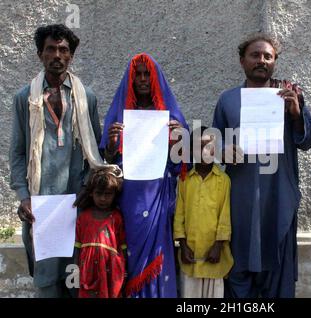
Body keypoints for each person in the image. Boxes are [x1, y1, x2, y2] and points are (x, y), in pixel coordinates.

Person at [9, 24, 110, 298]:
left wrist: (89, 191)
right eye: (51, 49)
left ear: (71, 56)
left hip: (77, 203)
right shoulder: (25, 98)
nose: (57, 55)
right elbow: (17, 153)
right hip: (41, 206)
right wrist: (23, 196)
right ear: (40, 54)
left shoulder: (85, 97)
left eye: (63, 50)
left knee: (77, 279)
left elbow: (96, 155)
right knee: (46, 282)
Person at [212, 33, 311, 298]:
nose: (262, 60)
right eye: (255, 55)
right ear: (242, 61)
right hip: (240, 196)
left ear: (274, 62)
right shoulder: (227, 100)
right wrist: (224, 150)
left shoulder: (289, 96)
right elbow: (213, 145)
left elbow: (307, 141)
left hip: (278, 193)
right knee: (238, 262)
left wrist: (295, 115)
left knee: (277, 263)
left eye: (268, 56)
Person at [100, 53, 189, 297]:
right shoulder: (121, 114)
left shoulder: (170, 116)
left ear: (155, 78)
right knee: (130, 252)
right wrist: (111, 143)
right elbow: (108, 160)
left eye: (146, 74)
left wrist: (181, 138)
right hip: (129, 197)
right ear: (130, 78)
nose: (141, 79)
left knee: (159, 252)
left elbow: (185, 164)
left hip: (159, 195)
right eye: (136, 74)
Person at [173, 126, 233, 298]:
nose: (205, 151)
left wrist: (218, 246)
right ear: (191, 150)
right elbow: (179, 215)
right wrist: (182, 246)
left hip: (213, 255)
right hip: (190, 256)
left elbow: (225, 216)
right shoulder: (184, 180)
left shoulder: (223, 180)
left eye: (209, 146)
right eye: (200, 146)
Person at [73, 167, 126, 298]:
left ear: (114, 195)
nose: (103, 198)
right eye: (99, 193)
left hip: (111, 270)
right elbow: (77, 247)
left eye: (108, 194)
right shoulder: (83, 218)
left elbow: (122, 247)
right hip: (87, 270)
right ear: (91, 193)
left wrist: (124, 271)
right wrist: (76, 270)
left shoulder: (117, 218)